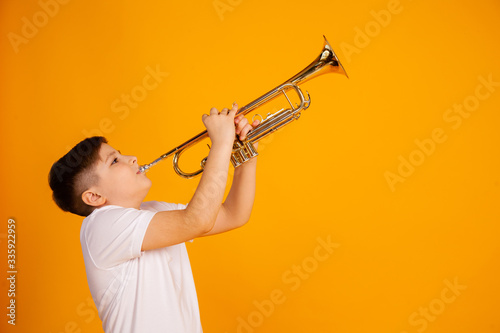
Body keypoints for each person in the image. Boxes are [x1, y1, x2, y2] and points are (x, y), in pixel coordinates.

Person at [48, 102, 260, 333]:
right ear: (95, 196)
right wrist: (220, 144)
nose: (132, 158)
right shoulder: (99, 225)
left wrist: (245, 155)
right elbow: (197, 220)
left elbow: (234, 215)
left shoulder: (154, 212)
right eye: (114, 161)